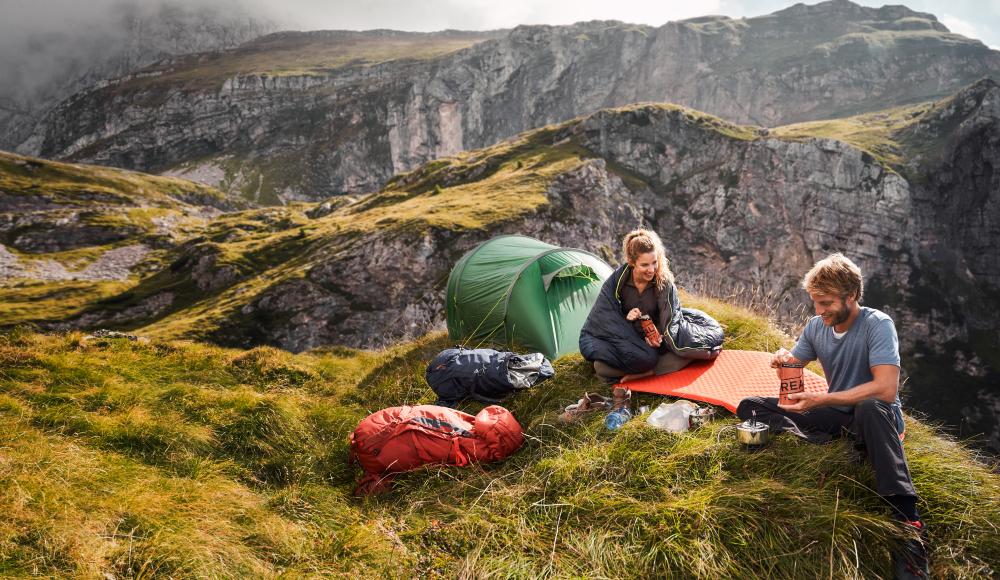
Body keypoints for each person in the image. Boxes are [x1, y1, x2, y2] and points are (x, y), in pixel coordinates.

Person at [735, 253, 929, 580]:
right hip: (838, 417)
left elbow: (885, 390)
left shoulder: (878, 325)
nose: (818, 311)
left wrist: (821, 399)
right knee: (750, 406)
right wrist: (783, 360)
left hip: (877, 419)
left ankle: (909, 523)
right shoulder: (817, 325)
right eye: (815, 302)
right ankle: (836, 444)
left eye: (825, 303)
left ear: (850, 296)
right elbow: (795, 363)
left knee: (869, 407)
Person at [579, 229, 723, 412]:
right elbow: (606, 317)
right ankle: (647, 369)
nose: (652, 269)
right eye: (645, 265)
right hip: (631, 340)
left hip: (658, 341)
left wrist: (658, 337)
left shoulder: (663, 283)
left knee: (682, 353)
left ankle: (646, 373)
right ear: (632, 263)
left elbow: (670, 322)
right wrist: (627, 318)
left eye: (654, 263)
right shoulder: (618, 282)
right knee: (601, 366)